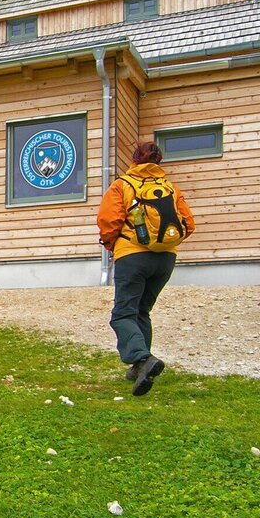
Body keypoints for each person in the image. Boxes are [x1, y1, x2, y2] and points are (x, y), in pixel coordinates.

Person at [98, 142, 195, 396]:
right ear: (158, 162)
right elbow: (189, 223)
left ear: (134, 160)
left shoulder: (122, 185)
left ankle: (142, 359)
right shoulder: (170, 188)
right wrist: (166, 244)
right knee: (142, 310)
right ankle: (138, 367)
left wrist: (113, 246)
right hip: (165, 260)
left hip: (132, 256)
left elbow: (109, 222)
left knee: (123, 314)